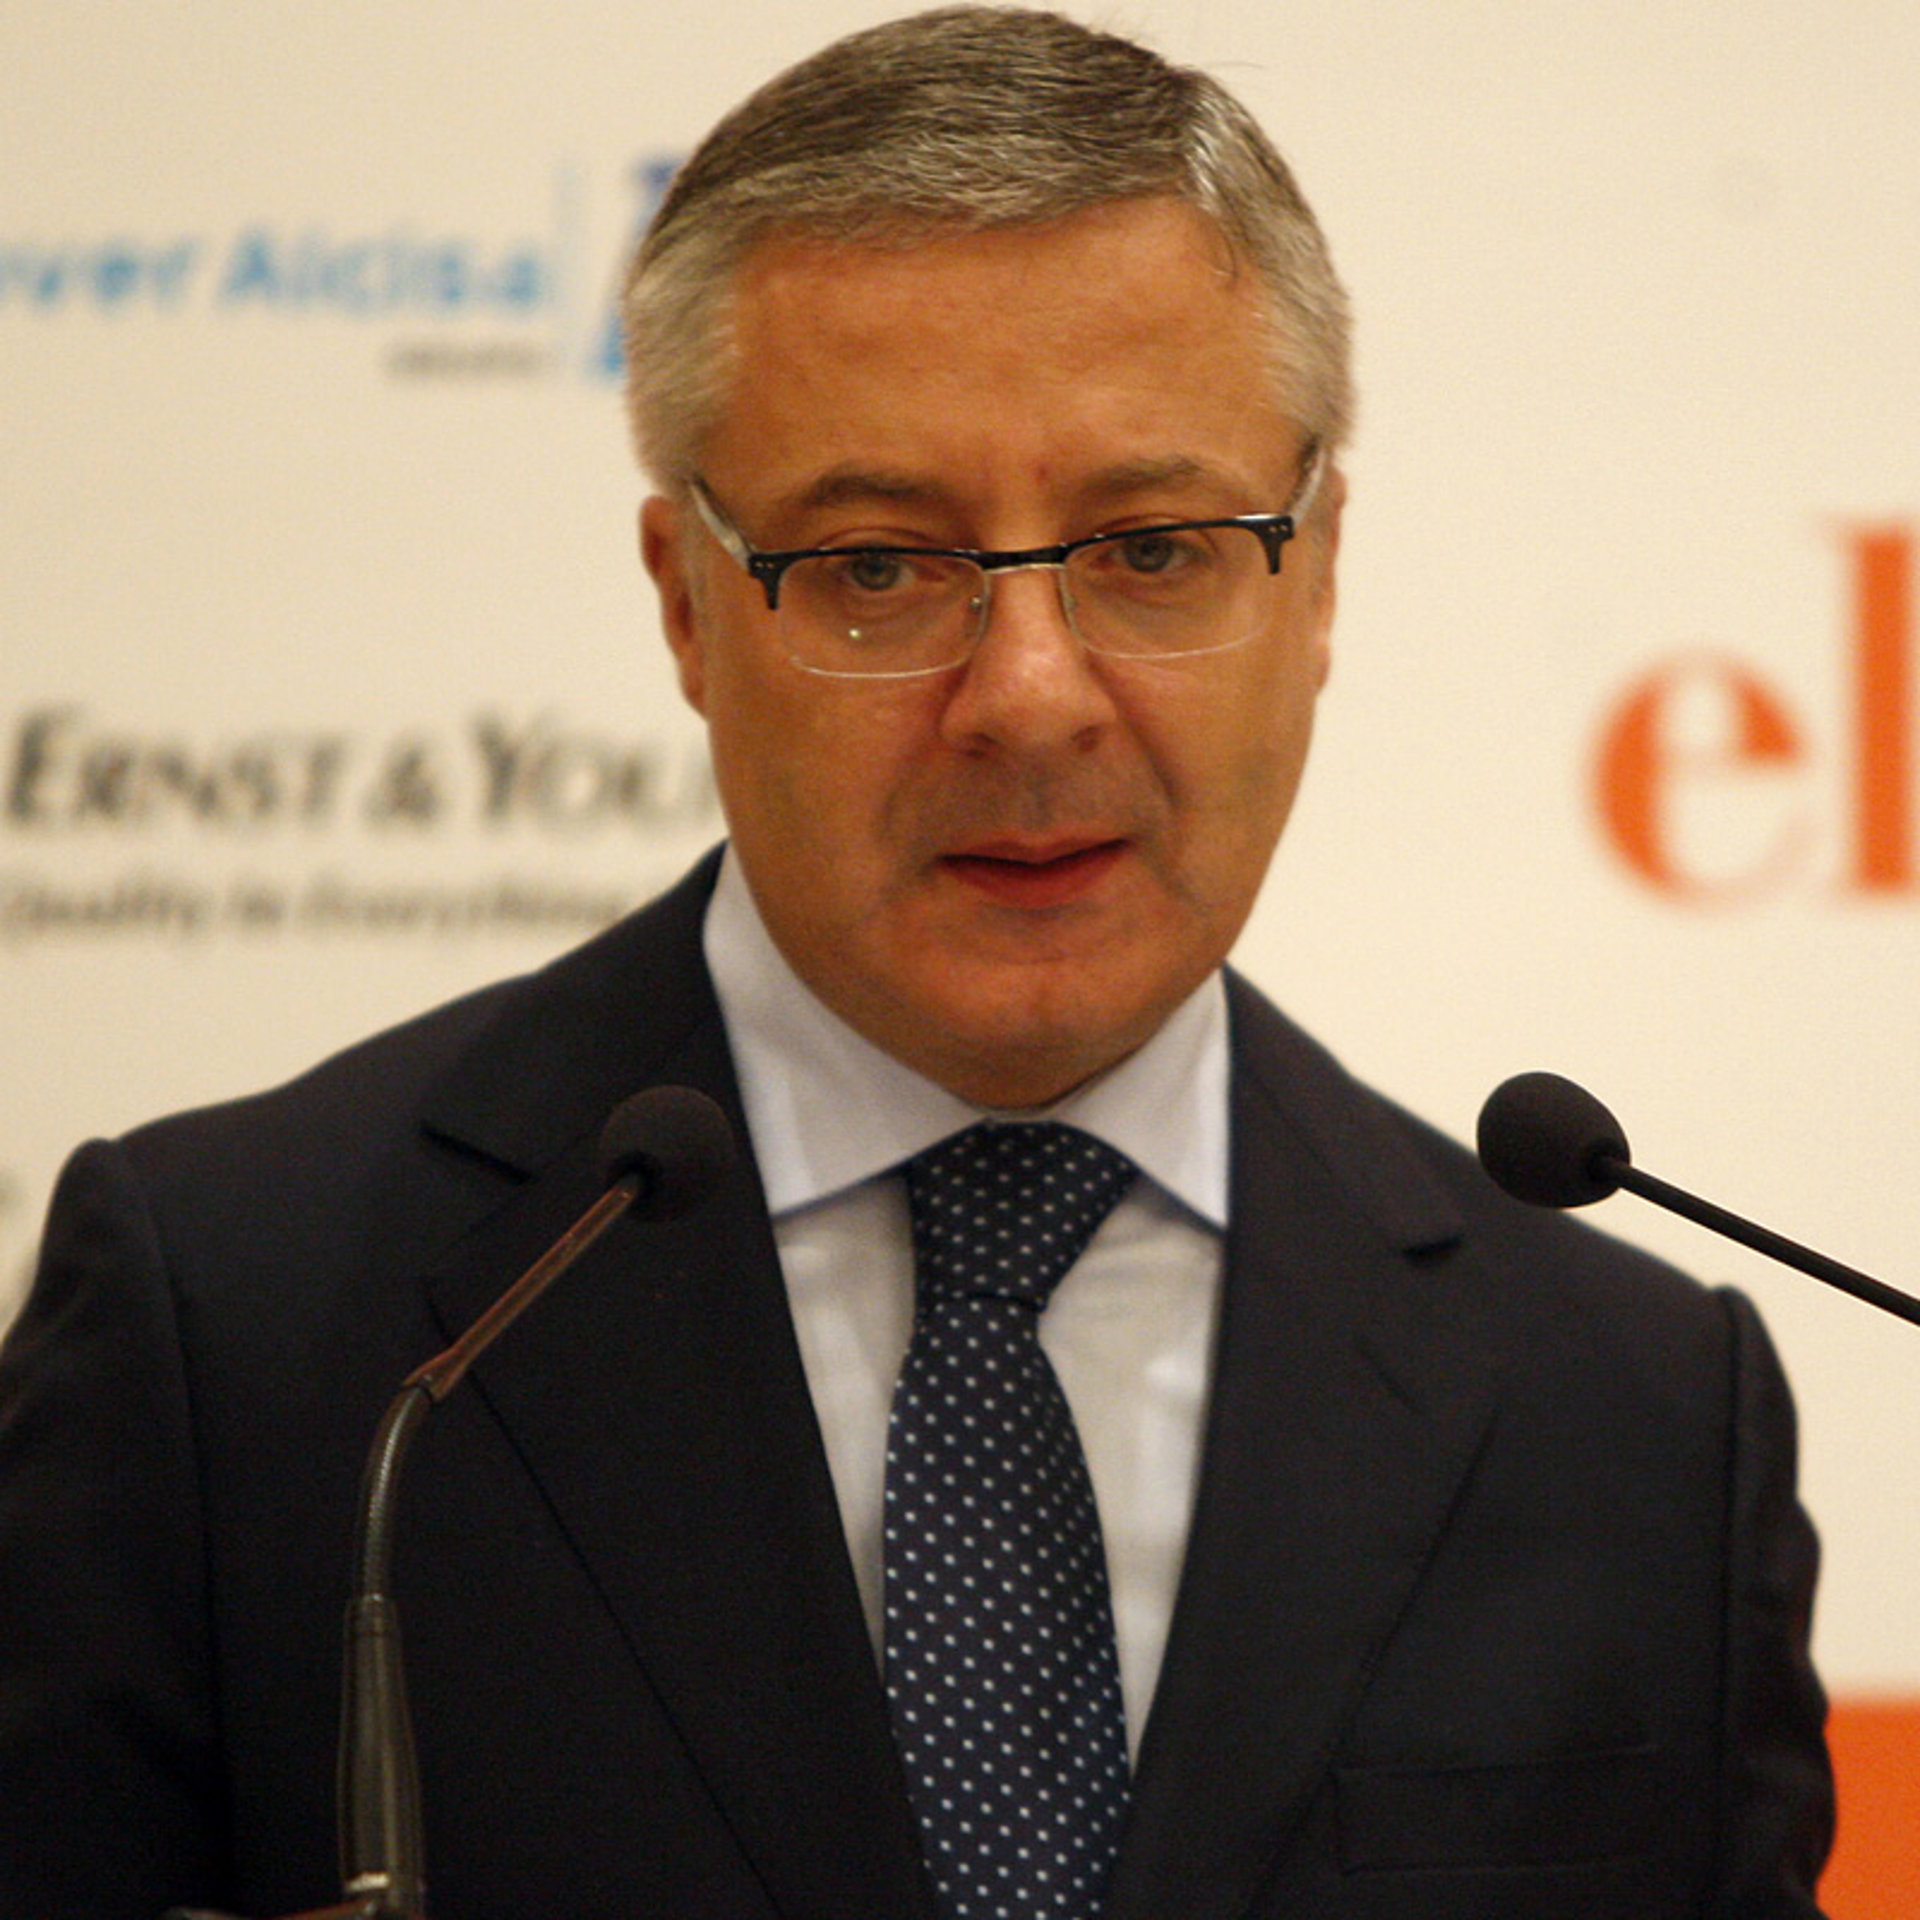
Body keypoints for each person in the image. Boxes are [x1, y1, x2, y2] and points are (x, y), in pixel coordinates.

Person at [0, 8, 1832, 1918]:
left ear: (1317, 580)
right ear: (687, 607)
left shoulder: (1635, 1416)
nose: (1030, 698)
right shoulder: (246, 1333)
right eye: (877, 566)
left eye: (1153, 549)